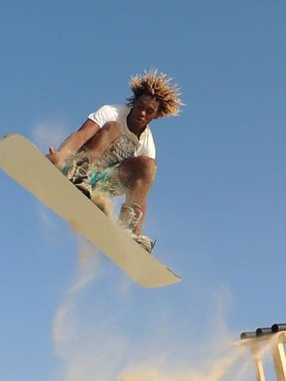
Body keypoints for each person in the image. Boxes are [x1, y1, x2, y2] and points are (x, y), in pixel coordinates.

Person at [45, 69, 183, 253]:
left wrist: (135, 235)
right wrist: (61, 157)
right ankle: (79, 174)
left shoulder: (147, 144)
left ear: (156, 116)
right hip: (80, 169)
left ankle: (127, 228)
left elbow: (141, 192)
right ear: (134, 101)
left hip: (106, 185)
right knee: (114, 128)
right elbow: (82, 135)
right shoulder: (111, 112)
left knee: (149, 165)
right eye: (140, 106)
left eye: (149, 111)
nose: (142, 113)